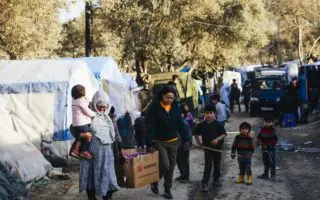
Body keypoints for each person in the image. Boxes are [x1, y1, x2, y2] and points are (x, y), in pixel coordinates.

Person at [146, 86, 191, 199]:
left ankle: (167, 189)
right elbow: (150, 126)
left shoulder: (176, 107)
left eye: (172, 98)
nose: (170, 100)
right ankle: (155, 180)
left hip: (173, 141)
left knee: (171, 166)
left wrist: (187, 139)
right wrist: (149, 142)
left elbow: (180, 123)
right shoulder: (154, 108)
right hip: (159, 141)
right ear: (162, 95)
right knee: (165, 165)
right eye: (167, 97)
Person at [79, 90, 118, 200]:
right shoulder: (87, 115)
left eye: (104, 107)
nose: (102, 109)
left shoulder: (109, 116)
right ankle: (91, 197)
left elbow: (115, 132)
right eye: (99, 106)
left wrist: (120, 145)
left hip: (107, 154)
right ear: (94, 104)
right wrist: (83, 135)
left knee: (108, 175)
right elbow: (74, 128)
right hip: (90, 154)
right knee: (90, 177)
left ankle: (107, 197)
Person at [194, 105, 227, 191]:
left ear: (214, 114)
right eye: (207, 113)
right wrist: (199, 143)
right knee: (208, 165)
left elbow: (224, 134)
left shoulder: (218, 124)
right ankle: (205, 183)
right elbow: (195, 133)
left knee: (217, 164)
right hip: (207, 148)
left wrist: (217, 139)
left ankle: (216, 180)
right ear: (204, 114)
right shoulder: (201, 125)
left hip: (217, 148)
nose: (209, 115)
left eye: (211, 113)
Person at [70, 84, 96, 159]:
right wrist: (95, 114)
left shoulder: (74, 101)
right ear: (82, 93)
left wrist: (85, 100)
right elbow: (87, 112)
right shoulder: (81, 101)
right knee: (89, 136)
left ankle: (76, 150)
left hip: (76, 124)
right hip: (82, 123)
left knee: (81, 138)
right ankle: (85, 151)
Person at [176, 110, 193, 184]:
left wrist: (188, 142)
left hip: (184, 144)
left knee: (184, 161)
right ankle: (182, 175)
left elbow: (188, 135)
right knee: (179, 160)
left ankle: (186, 177)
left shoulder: (183, 122)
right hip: (178, 144)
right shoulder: (177, 122)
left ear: (183, 115)